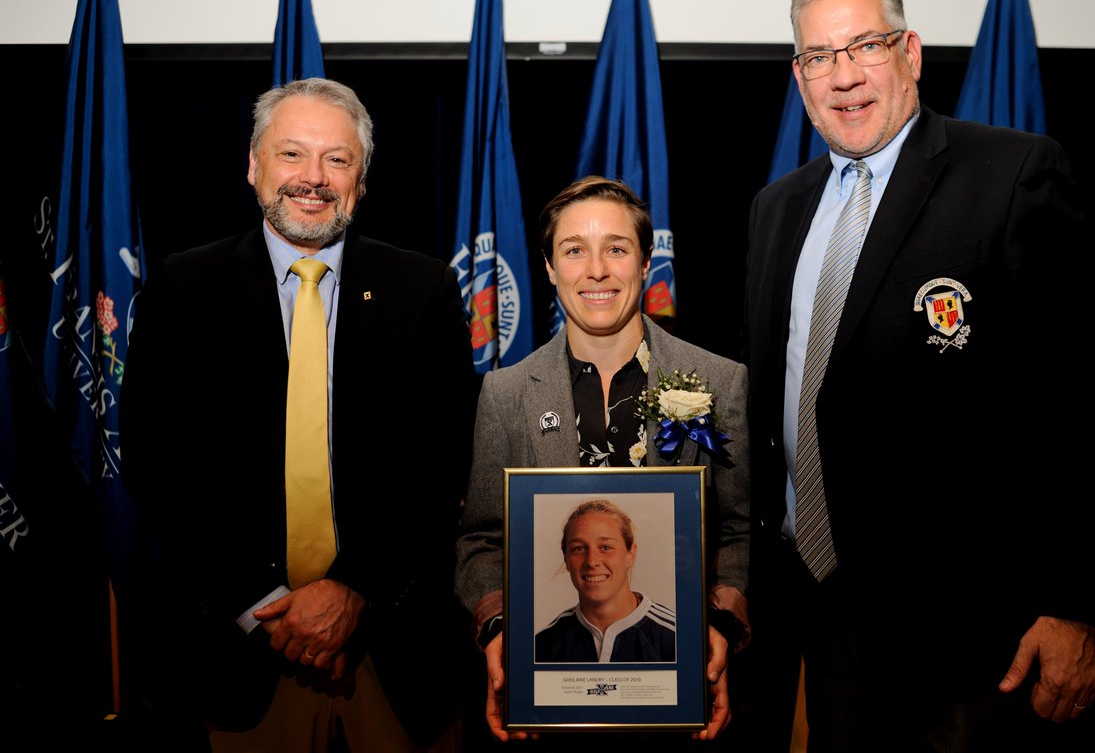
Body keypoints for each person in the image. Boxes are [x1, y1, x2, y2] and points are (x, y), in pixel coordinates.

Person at [741, 0, 1095, 753]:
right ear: (797, 75)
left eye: (862, 45)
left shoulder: (1010, 174)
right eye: (817, 56)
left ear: (909, 51)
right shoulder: (777, 208)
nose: (842, 76)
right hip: (822, 611)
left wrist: (1072, 604)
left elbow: (1078, 410)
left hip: (973, 637)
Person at [121, 77, 476, 752]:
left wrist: (354, 593)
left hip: (393, 651)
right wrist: (266, 609)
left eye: (337, 160)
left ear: (361, 180)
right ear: (254, 167)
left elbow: (442, 463)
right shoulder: (184, 288)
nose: (313, 178)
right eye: (292, 155)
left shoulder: (423, 290)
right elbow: (157, 462)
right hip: (241, 655)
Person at [455, 176, 751, 744]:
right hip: (549, 696)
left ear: (644, 264)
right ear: (548, 267)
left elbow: (735, 527)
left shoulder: (719, 382)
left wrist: (717, 623)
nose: (596, 270)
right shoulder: (506, 393)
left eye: (616, 248)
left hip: (673, 691)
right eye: (574, 250)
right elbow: (481, 540)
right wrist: (499, 628)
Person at [535, 499, 676, 664]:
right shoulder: (542, 645)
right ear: (566, 559)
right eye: (579, 549)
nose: (592, 561)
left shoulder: (676, 638)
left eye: (606, 547)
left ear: (631, 554)